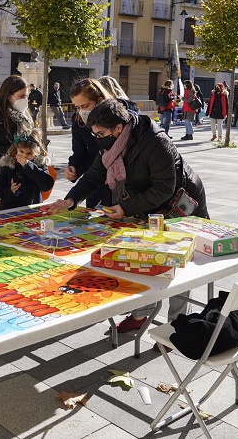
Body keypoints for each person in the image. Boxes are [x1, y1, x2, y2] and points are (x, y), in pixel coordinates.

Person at [47, 99, 208, 333]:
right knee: (143, 256)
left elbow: (164, 188)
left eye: (100, 133)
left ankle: (177, 324)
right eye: (94, 133)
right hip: (148, 204)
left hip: (182, 206)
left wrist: (125, 208)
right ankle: (142, 313)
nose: (97, 138)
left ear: (119, 128)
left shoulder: (156, 142)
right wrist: (70, 200)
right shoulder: (111, 144)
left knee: (177, 263)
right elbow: (94, 175)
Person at [67, 78, 116, 208]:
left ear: (100, 101)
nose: (81, 111)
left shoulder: (117, 119)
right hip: (95, 183)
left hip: (120, 186)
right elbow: (79, 154)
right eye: (77, 107)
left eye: (85, 106)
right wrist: (74, 168)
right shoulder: (78, 123)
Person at [0, 130, 54, 210]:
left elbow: (46, 186)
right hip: (11, 210)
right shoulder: (9, 166)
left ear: (35, 153)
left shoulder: (39, 164)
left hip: (34, 208)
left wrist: (29, 166)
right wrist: (10, 191)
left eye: (29, 153)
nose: (24, 156)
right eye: (21, 152)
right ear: (16, 149)